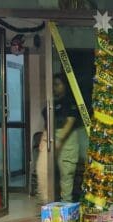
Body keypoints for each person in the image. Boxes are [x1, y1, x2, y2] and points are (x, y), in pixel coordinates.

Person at [42, 73, 80, 202]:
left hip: (66, 139)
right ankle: (49, 203)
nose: (54, 87)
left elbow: (70, 122)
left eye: (57, 84)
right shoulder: (51, 102)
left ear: (65, 85)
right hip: (51, 137)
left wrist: (58, 140)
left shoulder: (70, 101)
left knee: (66, 172)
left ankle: (66, 204)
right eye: (53, 85)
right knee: (47, 171)